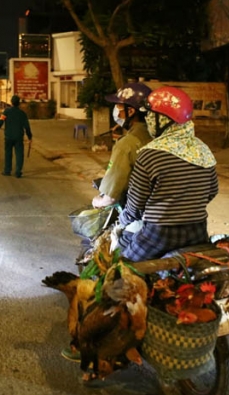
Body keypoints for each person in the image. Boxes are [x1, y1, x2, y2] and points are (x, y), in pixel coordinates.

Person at [117, 85, 219, 261]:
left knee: (122, 269)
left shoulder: (150, 154)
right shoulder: (203, 149)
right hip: (197, 231)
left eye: (150, 115)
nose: (148, 120)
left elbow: (136, 203)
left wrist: (123, 221)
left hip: (158, 235)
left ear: (162, 120)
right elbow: (211, 191)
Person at [92, 82, 153, 209]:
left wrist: (98, 201)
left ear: (130, 111)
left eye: (118, 107)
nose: (116, 111)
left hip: (138, 213)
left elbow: (111, 197)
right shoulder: (156, 135)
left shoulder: (126, 144)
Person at [0, 95, 33, 178]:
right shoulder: (22, 114)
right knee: (19, 154)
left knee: (8, 153)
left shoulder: (6, 112)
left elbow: (0, 121)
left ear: (11, 102)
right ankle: (18, 172)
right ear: (19, 103)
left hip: (8, 136)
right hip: (18, 137)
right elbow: (27, 126)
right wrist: (30, 137)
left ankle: (7, 171)